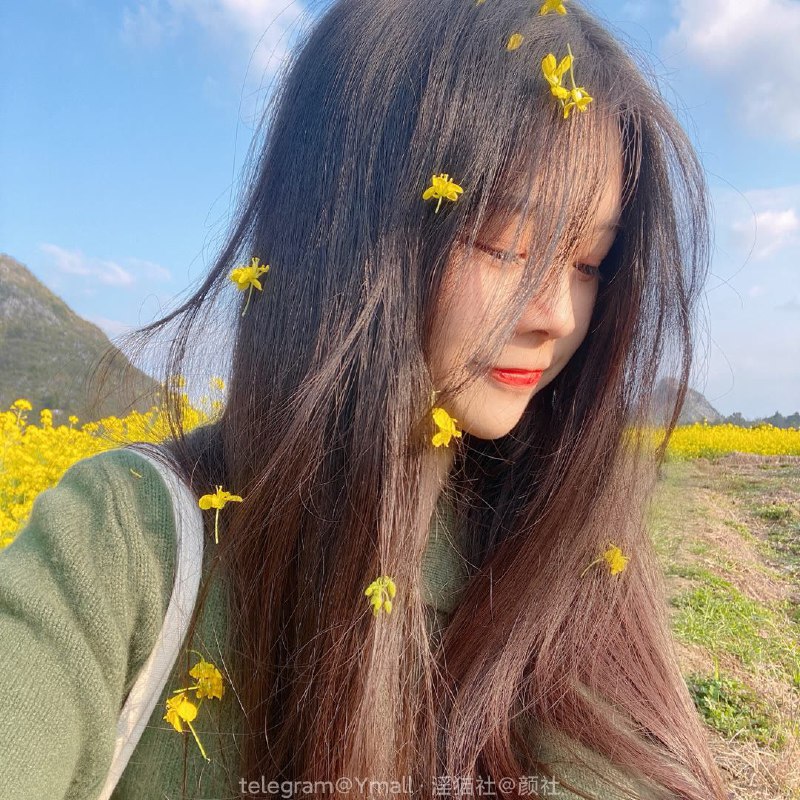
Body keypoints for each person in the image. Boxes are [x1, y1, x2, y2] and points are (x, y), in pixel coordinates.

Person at [0, 0, 731, 797]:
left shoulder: (569, 547)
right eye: (502, 245)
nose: (557, 316)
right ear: (345, 233)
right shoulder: (124, 543)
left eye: (589, 264)